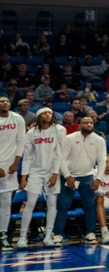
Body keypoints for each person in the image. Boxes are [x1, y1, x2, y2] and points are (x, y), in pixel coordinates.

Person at [16, 106, 64, 248]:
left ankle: (48, 236)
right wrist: (24, 177)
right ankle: (22, 237)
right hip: (35, 171)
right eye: (45, 113)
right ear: (39, 116)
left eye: (50, 113)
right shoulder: (31, 132)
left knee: (52, 203)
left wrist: (55, 174)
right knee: (30, 203)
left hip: (51, 171)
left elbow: (59, 154)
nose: (48, 115)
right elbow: (27, 157)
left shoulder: (59, 130)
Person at [54, 115, 105, 246]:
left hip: (88, 176)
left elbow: (101, 161)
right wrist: (67, 175)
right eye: (85, 122)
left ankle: (90, 233)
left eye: (91, 122)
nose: (89, 124)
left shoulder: (99, 140)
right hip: (69, 176)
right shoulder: (69, 138)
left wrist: (98, 178)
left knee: (90, 206)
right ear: (80, 125)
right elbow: (62, 158)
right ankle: (58, 234)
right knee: (64, 206)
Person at [0, 96, 26, 251]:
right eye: (1, 101)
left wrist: (16, 162)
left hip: (10, 167)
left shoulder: (17, 119)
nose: (5, 103)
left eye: (7, 101)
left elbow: (21, 141)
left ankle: (3, 236)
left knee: (5, 202)